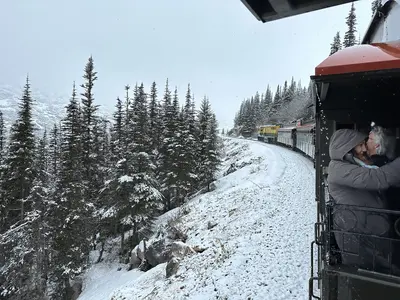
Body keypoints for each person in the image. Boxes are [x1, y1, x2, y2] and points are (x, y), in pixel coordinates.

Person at [328, 128, 400, 274]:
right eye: (360, 145)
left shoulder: (354, 164)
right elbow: (378, 178)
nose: (364, 149)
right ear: (346, 149)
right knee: (375, 271)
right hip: (358, 234)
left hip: (368, 229)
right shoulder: (339, 169)